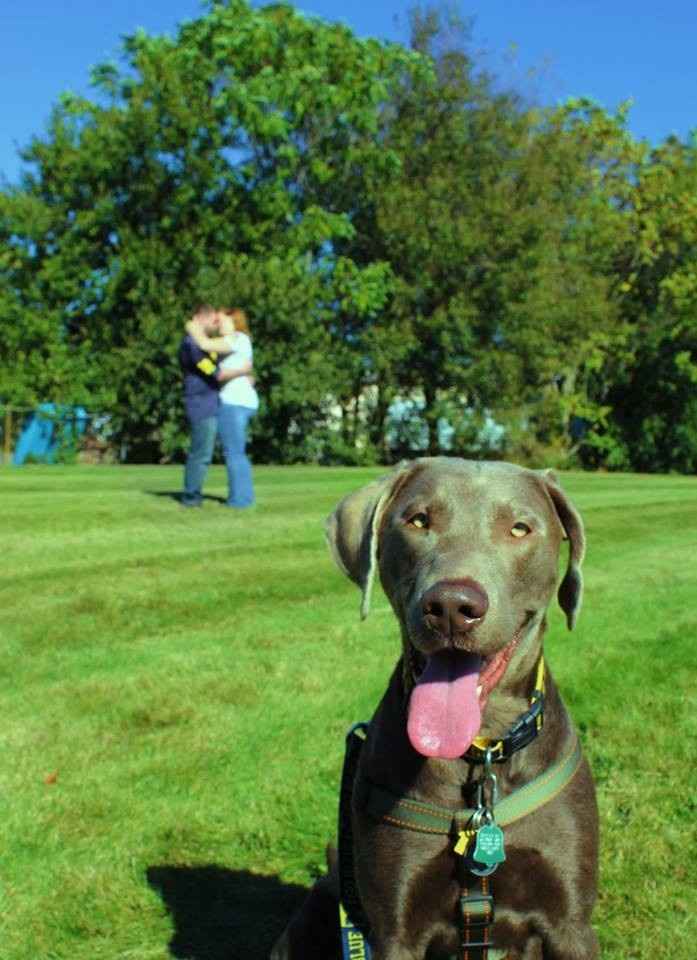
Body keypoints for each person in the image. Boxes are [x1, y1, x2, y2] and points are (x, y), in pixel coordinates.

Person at [186, 308, 259, 509]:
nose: (218, 324)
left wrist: (192, 327)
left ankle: (240, 501)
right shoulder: (242, 341)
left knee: (234, 453)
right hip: (244, 401)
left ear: (234, 322)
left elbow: (204, 344)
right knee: (238, 451)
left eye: (222, 320)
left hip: (233, 402)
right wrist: (243, 371)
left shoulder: (235, 338)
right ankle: (244, 497)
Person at [178, 304, 221, 507]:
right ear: (200, 318)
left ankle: (192, 494)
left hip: (208, 401)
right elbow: (212, 371)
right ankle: (191, 497)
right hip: (200, 403)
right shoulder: (191, 344)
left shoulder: (203, 344)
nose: (215, 325)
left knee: (203, 451)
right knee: (201, 452)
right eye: (213, 321)